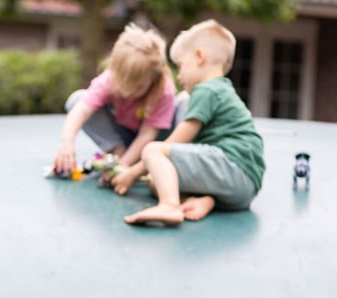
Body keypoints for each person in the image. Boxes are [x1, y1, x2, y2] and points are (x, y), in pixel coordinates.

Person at [111, 19, 265, 225]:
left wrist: (133, 172)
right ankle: (201, 201)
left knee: (153, 150)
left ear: (200, 57)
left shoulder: (207, 89)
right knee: (157, 181)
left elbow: (177, 141)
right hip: (242, 190)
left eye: (181, 66)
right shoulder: (221, 89)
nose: (179, 76)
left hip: (232, 166)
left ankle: (169, 207)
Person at [54, 23, 185, 175]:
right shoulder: (109, 79)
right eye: (122, 83)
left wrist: (123, 166)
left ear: (153, 79)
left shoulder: (162, 90)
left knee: (185, 101)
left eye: (137, 87)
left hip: (155, 140)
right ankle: (117, 150)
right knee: (77, 100)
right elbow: (82, 110)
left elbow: (147, 134)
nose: (126, 91)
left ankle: (161, 159)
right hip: (125, 135)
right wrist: (67, 142)